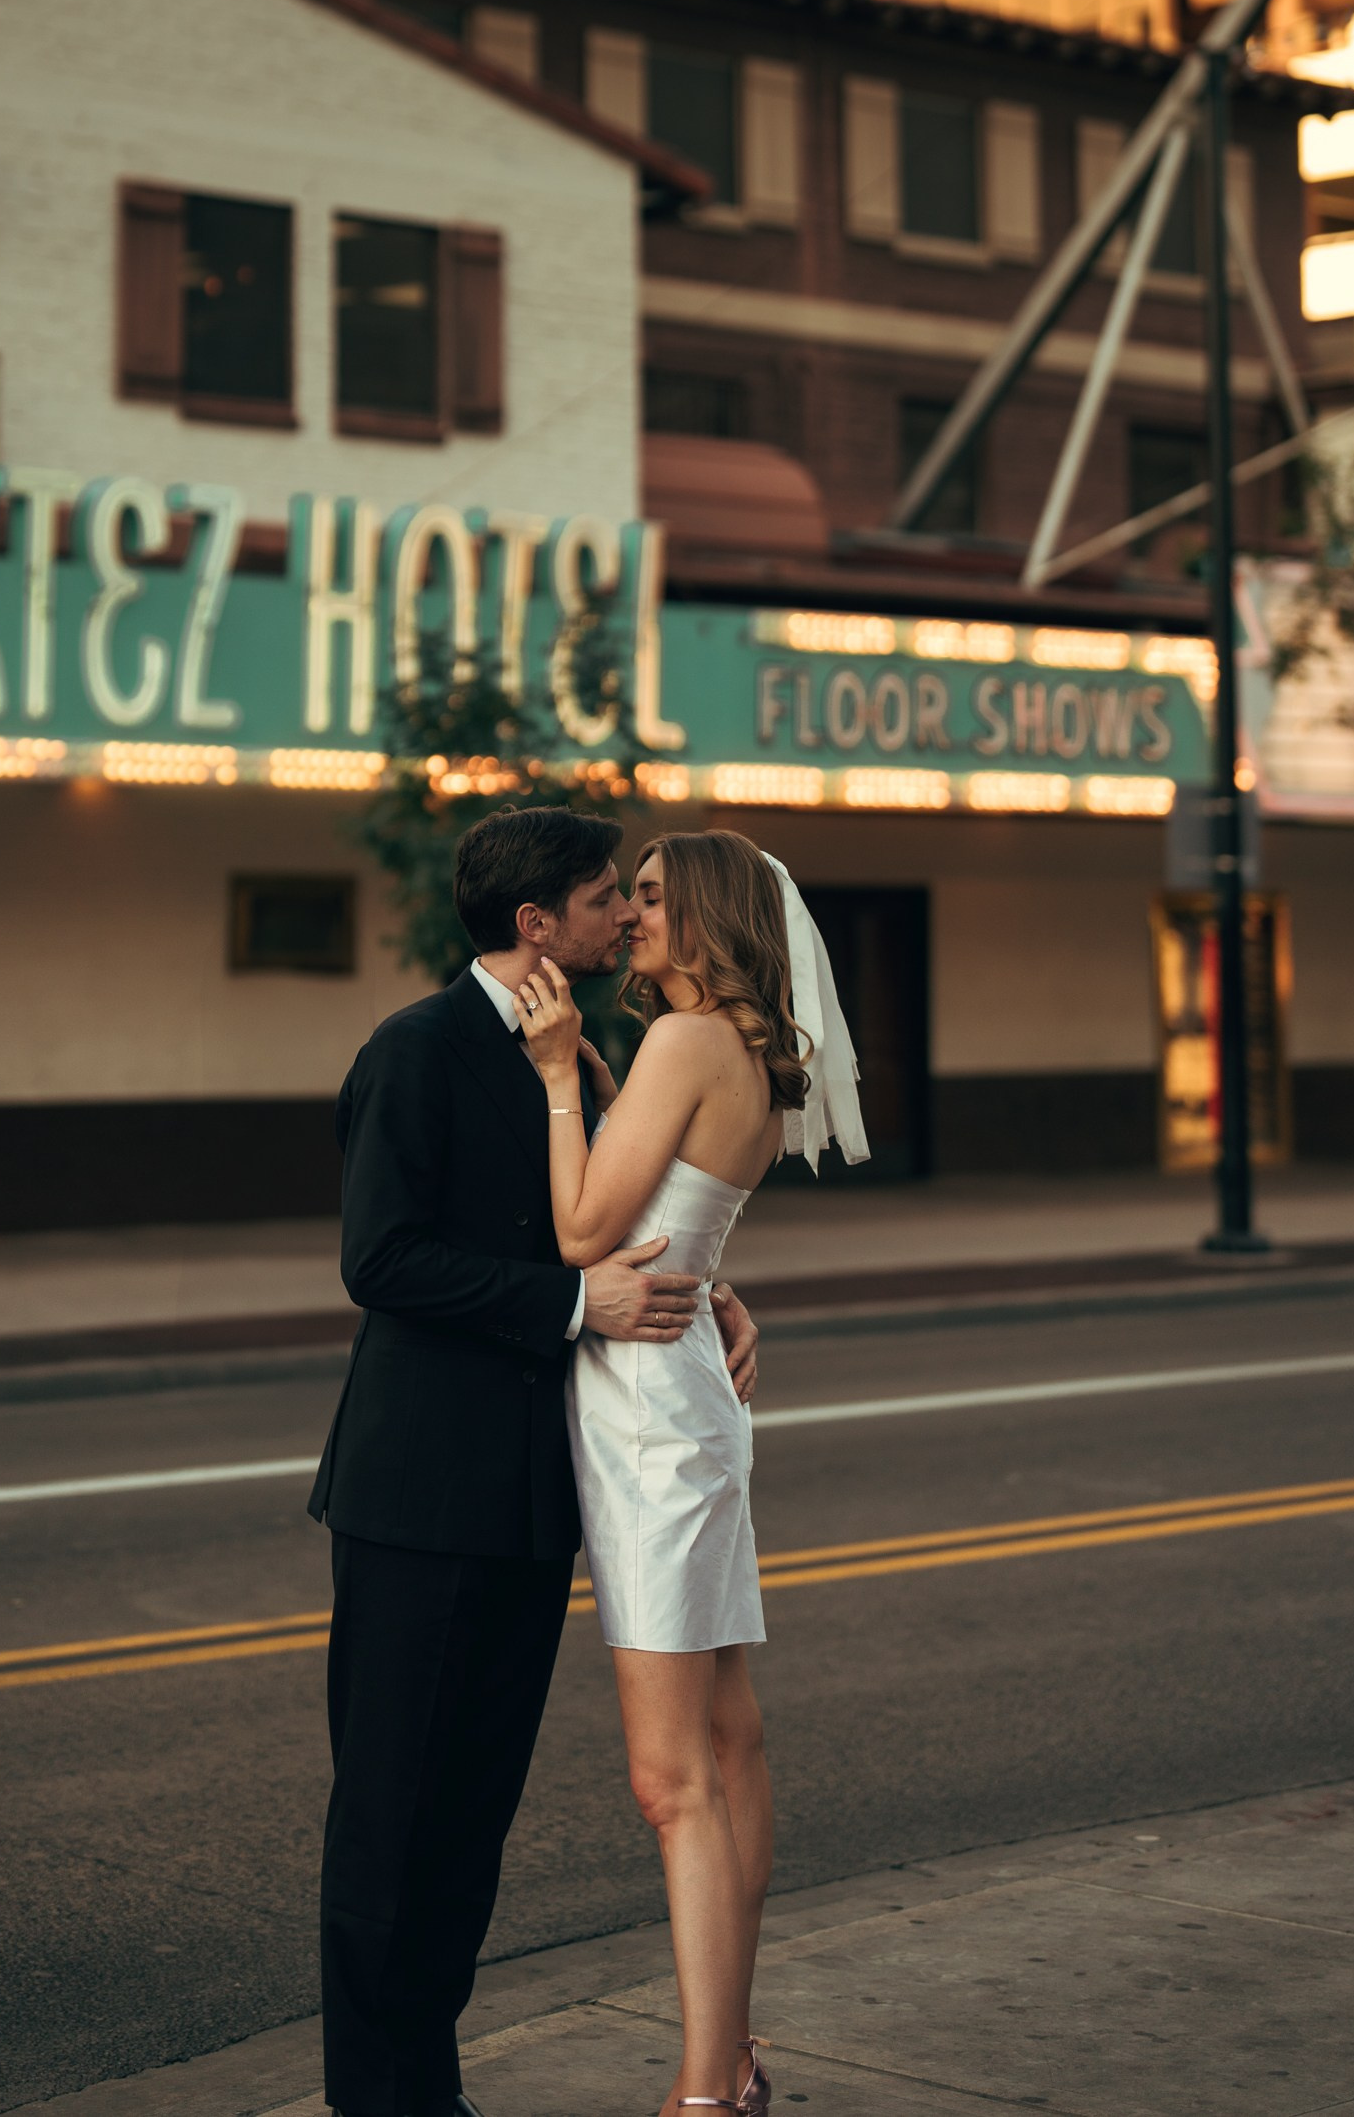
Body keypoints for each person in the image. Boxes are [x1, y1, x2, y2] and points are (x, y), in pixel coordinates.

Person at [310, 805, 762, 2117]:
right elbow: (380, 1261)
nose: (628, 914)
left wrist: (710, 1290)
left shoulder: (582, 1054)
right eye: (607, 895)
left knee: (467, 1829)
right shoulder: (420, 1050)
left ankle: (427, 2091)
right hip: (419, 1494)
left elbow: (634, 1215)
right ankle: (377, 2102)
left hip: (539, 1502)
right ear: (536, 924)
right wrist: (578, 1308)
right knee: (390, 1820)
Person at [514, 829, 867, 2117]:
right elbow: (684, 1220)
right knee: (729, 1740)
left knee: (672, 1781)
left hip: (651, 1419)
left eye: (656, 897)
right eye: (630, 896)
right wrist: (720, 1284)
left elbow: (582, 1230)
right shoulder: (741, 1054)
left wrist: (560, 1080)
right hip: (686, 1402)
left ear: (713, 914)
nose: (634, 915)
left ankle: (706, 2093)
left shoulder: (684, 1042)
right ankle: (736, 2056)